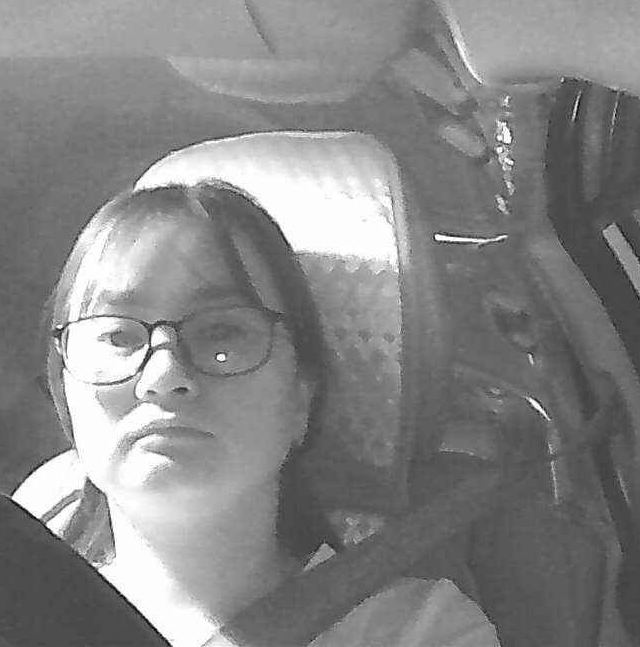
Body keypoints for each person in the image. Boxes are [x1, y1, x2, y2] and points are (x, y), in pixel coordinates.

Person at [38, 181, 500, 647]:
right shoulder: (3, 609)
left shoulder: (417, 632)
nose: (163, 374)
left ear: (302, 399)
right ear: (64, 393)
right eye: (118, 337)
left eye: (222, 332)